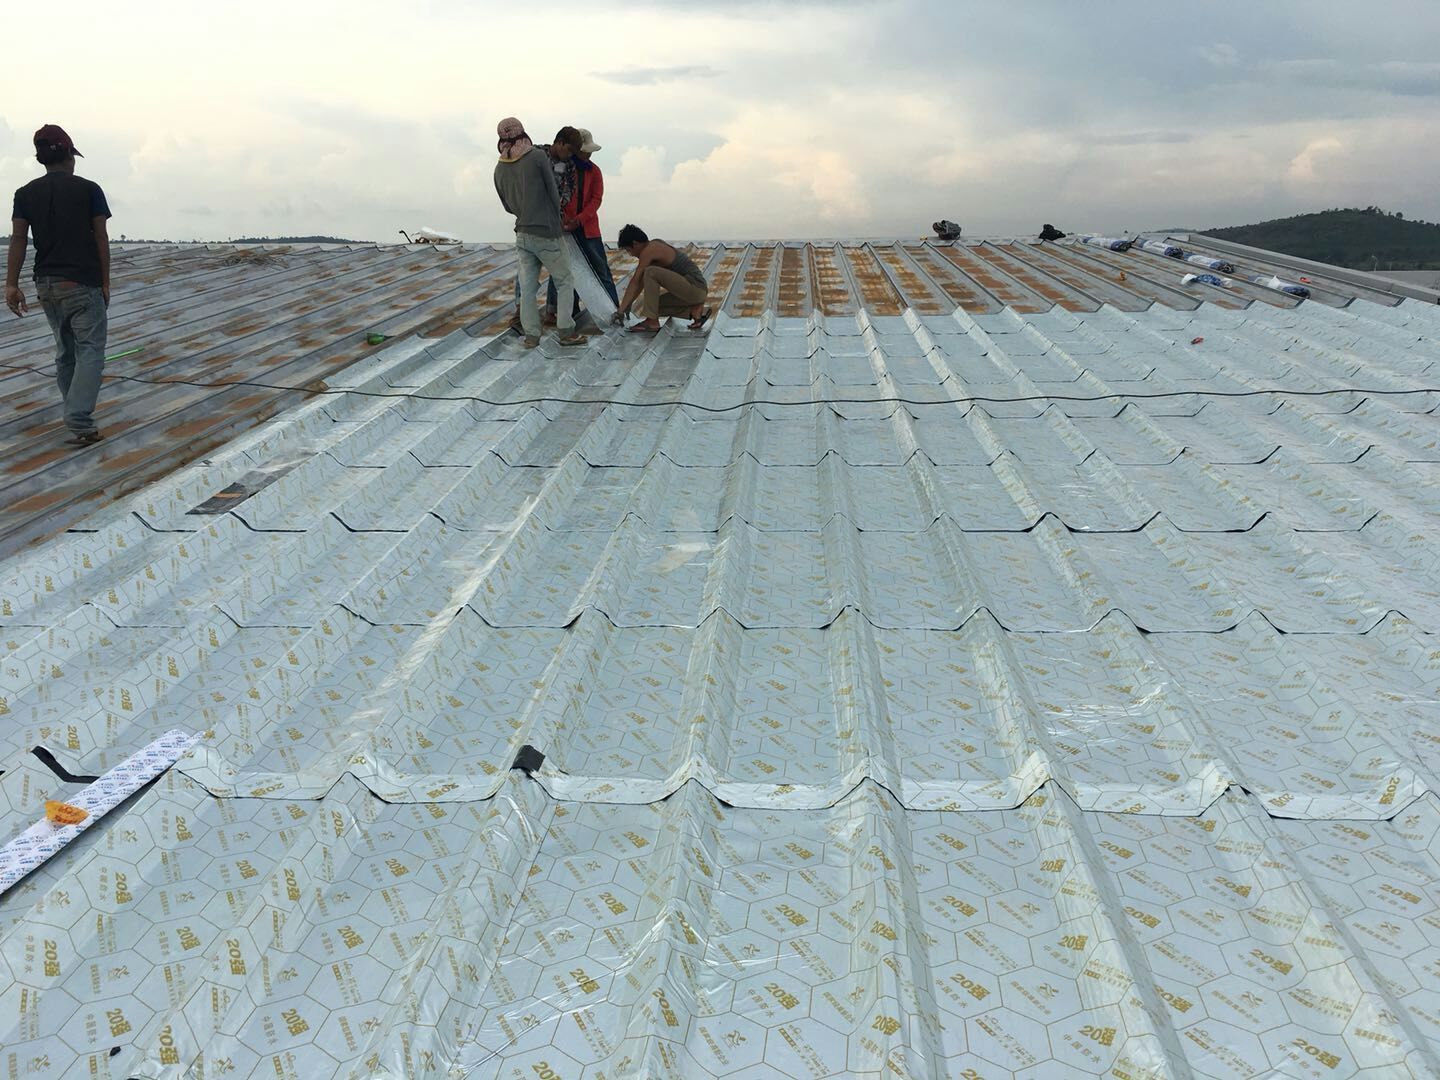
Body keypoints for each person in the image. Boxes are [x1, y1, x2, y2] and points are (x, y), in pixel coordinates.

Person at [5, 124, 112, 447]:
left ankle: (78, 420)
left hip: (46, 285)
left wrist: (11, 284)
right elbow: (101, 237)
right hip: (82, 283)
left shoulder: (24, 194)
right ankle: (78, 417)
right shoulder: (89, 189)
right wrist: (105, 282)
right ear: (68, 154)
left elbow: (19, 239)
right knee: (90, 350)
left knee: (66, 352)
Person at [493, 118, 583, 347]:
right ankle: (567, 331)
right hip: (547, 231)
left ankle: (531, 336)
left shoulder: (499, 168)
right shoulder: (537, 157)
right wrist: (555, 217)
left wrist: (524, 213)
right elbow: (554, 195)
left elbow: (506, 206)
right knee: (564, 281)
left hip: (522, 233)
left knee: (528, 288)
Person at [545, 128, 619, 323]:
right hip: (564, 228)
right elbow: (557, 196)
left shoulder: (594, 171)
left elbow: (596, 200)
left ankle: (614, 309)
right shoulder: (563, 169)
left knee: (600, 269)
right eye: (585, 151)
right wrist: (564, 219)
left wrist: (579, 219)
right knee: (562, 271)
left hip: (588, 228)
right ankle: (559, 311)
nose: (588, 155)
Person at [613, 225, 711, 334]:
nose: (631, 254)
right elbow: (640, 283)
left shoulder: (650, 250)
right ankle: (695, 311)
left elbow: (635, 281)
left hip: (695, 287)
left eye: (628, 250)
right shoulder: (653, 247)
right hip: (692, 293)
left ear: (635, 243)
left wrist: (620, 311)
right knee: (653, 307)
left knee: (651, 272)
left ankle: (652, 322)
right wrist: (627, 305)